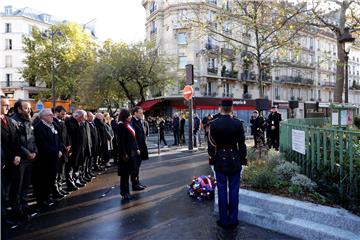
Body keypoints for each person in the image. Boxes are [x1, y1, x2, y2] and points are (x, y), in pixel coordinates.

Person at [208, 99, 247, 229]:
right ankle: (233, 220)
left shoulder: (214, 124)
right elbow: (242, 145)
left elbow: (211, 146)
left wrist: (212, 160)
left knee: (222, 191)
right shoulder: (238, 123)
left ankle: (224, 220)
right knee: (234, 191)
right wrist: (243, 160)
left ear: (220, 109)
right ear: (232, 109)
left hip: (220, 160)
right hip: (235, 160)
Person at [11, 99, 37, 218]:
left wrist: (35, 151)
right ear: (19, 109)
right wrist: (27, 153)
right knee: (18, 185)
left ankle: (24, 205)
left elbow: (33, 138)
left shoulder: (29, 121)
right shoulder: (13, 121)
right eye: (26, 108)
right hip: (20, 159)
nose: (29, 110)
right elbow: (16, 142)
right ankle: (17, 209)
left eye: (29, 108)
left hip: (30, 158)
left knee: (26, 184)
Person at [33, 109, 63, 208]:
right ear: (44, 117)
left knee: (51, 179)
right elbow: (43, 144)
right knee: (42, 180)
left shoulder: (53, 125)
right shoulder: (39, 128)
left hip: (54, 158)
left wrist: (60, 150)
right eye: (50, 115)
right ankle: (41, 200)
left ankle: (47, 196)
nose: (52, 117)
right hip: (44, 159)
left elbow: (58, 140)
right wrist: (55, 152)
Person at [1, 96, 21, 230]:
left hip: (12, 163)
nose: (8, 108)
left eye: (8, 105)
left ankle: (7, 216)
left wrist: (18, 155)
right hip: (2, 163)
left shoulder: (9, 120)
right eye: (5, 105)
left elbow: (16, 140)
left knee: (8, 193)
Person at [115, 109, 139, 200]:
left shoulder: (128, 124)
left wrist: (136, 149)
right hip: (125, 154)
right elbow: (120, 142)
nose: (130, 116)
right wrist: (123, 154)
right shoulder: (121, 125)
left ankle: (127, 192)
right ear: (125, 116)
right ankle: (124, 192)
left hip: (131, 152)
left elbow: (133, 138)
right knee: (124, 175)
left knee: (129, 173)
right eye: (129, 115)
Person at [65, 110, 86, 189]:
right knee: (70, 166)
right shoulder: (69, 122)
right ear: (78, 116)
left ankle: (76, 180)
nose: (82, 120)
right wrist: (69, 148)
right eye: (82, 118)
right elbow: (68, 137)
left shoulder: (80, 123)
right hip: (72, 149)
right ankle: (70, 183)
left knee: (77, 165)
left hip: (80, 148)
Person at [53, 106, 71, 197]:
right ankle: (56, 189)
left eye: (64, 114)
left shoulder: (63, 123)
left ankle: (60, 187)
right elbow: (58, 138)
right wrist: (63, 147)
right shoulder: (53, 123)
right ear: (56, 112)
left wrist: (68, 145)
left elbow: (66, 135)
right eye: (62, 114)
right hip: (58, 151)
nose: (64, 116)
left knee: (61, 171)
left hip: (64, 151)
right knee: (57, 172)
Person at [131, 107, 148, 191]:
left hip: (141, 148)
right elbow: (133, 138)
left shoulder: (138, 121)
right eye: (140, 113)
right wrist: (137, 148)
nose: (142, 114)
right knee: (135, 167)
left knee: (137, 167)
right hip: (136, 149)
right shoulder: (132, 122)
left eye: (142, 113)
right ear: (135, 113)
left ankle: (137, 182)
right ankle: (135, 184)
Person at [87, 112, 99, 177]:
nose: (92, 118)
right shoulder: (87, 124)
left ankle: (89, 171)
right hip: (90, 145)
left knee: (91, 159)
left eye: (93, 117)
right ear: (87, 117)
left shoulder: (93, 124)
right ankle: (87, 172)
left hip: (95, 144)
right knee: (88, 160)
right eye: (91, 117)